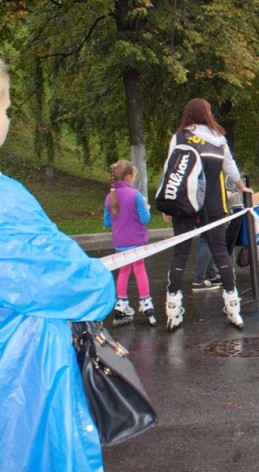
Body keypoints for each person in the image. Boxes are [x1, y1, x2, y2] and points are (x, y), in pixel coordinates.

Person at [0, 60, 117, 471]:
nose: (8, 119)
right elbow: (81, 285)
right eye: (7, 109)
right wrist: (103, 280)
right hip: (24, 415)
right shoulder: (7, 206)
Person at [163, 98, 253, 331]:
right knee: (220, 251)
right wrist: (241, 186)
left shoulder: (180, 137)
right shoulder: (218, 139)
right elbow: (229, 165)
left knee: (180, 252)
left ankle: (173, 309)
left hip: (184, 203)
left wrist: (166, 204)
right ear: (206, 114)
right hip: (213, 203)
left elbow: (169, 170)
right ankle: (233, 307)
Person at [104, 159, 156, 326]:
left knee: (124, 271)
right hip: (137, 241)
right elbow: (145, 218)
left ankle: (121, 304)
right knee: (139, 269)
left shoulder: (109, 198)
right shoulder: (135, 195)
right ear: (128, 177)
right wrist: (146, 208)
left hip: (120, 242)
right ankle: (146, 303)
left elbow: (107, 223)